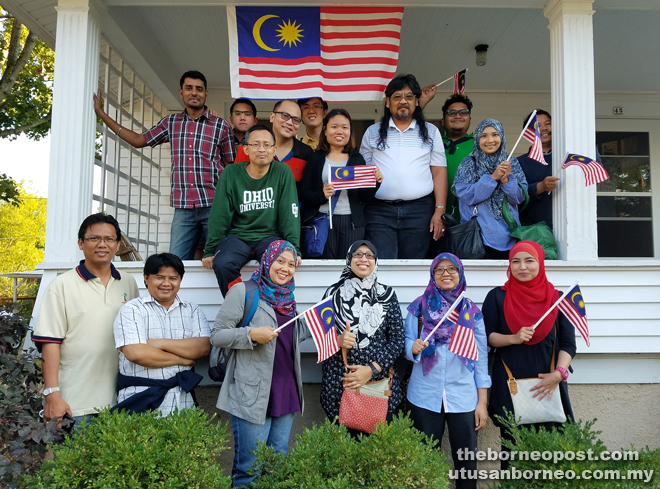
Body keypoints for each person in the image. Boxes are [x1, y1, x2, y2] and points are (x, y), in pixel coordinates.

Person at [93, 70, 236, 260]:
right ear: (181, 93)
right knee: (175, 262)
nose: (194, 93)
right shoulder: (171, 122)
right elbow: (138, 140)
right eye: (189, 88)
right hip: (183, 207)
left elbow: (230, 167)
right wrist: (102, 114)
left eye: (199, 89)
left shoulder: (221, 126)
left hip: (214, 205)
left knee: (218, 260)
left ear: (206, 94)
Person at [211, 240, 309, 488]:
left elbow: (292, 336)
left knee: (277, 466)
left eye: (291, 263)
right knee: (249, 469)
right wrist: (250, 335)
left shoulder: (288, 299)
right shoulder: (244, 291)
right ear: (267, 261)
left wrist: (331, 333)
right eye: (280, 261)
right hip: (252, 391)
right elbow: (217, 336)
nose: (285, 268)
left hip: (286, 389)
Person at [33, 213, 139, 425]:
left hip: (120, 401)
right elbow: (50, 344)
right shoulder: (61, 285)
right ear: (81, 243)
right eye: (94, 238)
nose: (102, 244)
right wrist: (52, 396)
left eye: (109, 239)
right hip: (74, 404)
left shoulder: (128, 283)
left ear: (118, 245)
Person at [483, 241, 576, 468]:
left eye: (529, 260)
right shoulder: (497, 297)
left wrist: (559, 373)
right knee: (513, 454)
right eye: (515, 261)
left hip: (549, 387)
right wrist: (513, 338)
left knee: (552, 456)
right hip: (510, 387)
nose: (522, 267)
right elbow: (486, 337)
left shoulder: (558, 299)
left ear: (540, 263)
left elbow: (568, 344)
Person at [405, 253, 490, 489]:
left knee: (466, 463)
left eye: (451, 269)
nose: (446, 274)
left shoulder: (471, 312)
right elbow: (407, 343)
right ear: (432, 275)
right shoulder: (418, 308)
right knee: (423, 461)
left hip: (463, 396)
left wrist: (482, 403)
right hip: (424, 395)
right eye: (439, 270)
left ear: (460, 273)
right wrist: (412, 348)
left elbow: (481, 359)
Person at [202, 124, 301, 297]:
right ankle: (242, 305)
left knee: (280, 264)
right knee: (223, 263)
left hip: (270, 236)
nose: (262, 149)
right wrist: (210, 249)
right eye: (255, 144)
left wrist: (294, 248)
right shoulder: (230, 173)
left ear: (274, 149)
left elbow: (289, 213)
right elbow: (220, 214)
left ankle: (272, 309)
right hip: (237, 237)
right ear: (245, 149)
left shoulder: (282, 172)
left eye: (267, 145)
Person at [320, 240, 405, 434]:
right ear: (349, 259)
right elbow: (320, 339)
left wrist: (371, 370)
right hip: (340, 387)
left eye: (369, 255)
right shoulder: (332, 294)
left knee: (377, 454)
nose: (363, 259)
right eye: (358, 254)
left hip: (378, 387)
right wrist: (338, 341)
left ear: (376, 261)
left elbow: (397, 340)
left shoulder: (387, 295)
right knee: (344, 456)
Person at [360, 74, 448, 259]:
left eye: (409, 97)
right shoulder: (372, 132)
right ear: (387, 102)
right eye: (397, 96)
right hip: (379, 212)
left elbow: (439, 172)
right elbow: (364, 172)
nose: (403, 101)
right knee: (381, 266)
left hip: (420, 211)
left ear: (417, 101)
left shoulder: (431, 132)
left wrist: (439, 210)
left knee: (414, 268)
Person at [113, 253, 211, 416]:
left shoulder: (192, 310)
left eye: (173, 278)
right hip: (139, 399)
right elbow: (136, 353)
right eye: (159, 277)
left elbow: (203, 348)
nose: (166, 283)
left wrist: (159, 344)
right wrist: (181, 359)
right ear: (146, 278)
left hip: (182, 400)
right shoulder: (132, 309)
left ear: (180, 280)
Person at [299, 109, 383, 258]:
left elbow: (364, 197)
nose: (340, 131)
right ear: (325, 130)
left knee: (350, 268)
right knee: (324, 270)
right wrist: (322, 195)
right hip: (323, 220)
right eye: (334, 127)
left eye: (345, 127)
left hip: (352, 222)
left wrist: (376, 183)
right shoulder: (316, 158)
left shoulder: (357, 159)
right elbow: (304, 192)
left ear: (350, 131)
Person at [453, 119, 528, 259]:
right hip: (477, 238)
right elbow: (466, 196)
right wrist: (492, 178)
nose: (490, 140)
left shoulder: (512, 162)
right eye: (484, 136)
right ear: (477, 139)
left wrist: (506, 179)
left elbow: (519, 197)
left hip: (510, 236)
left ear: (502, 136)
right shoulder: (468, 163)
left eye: (495, 134)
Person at [517, 109, 603, 229]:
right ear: (529, 132)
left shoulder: (568, 156)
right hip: (535, 230)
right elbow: (517, 195)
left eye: (548, 123)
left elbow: (593, 177)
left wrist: (585, 142)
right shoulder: (520, 162)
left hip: (572, 227)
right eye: (538, 125)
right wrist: (541, 187)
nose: (544, 128)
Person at [420, 89, 475, 221]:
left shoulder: (481, 145)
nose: (458, 116)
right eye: (452, 113)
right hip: (431, 218)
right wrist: (421, 102)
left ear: (469, 119)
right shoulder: (430, 142)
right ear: (443, 120)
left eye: (463, 112)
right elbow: (410, 123)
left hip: (470, 221)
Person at [270, 99, 314, 186]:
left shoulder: (306, 153)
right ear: (272, 117)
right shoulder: (252, 146)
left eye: (296, 120)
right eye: (285, 116)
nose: (290, 122)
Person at [230, 98, 258, 164]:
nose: (242, 118)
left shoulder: (261, 140)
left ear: (255, 120)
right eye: (237, 113)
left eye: (247, 114)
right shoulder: (223, 138)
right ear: (231, 119)